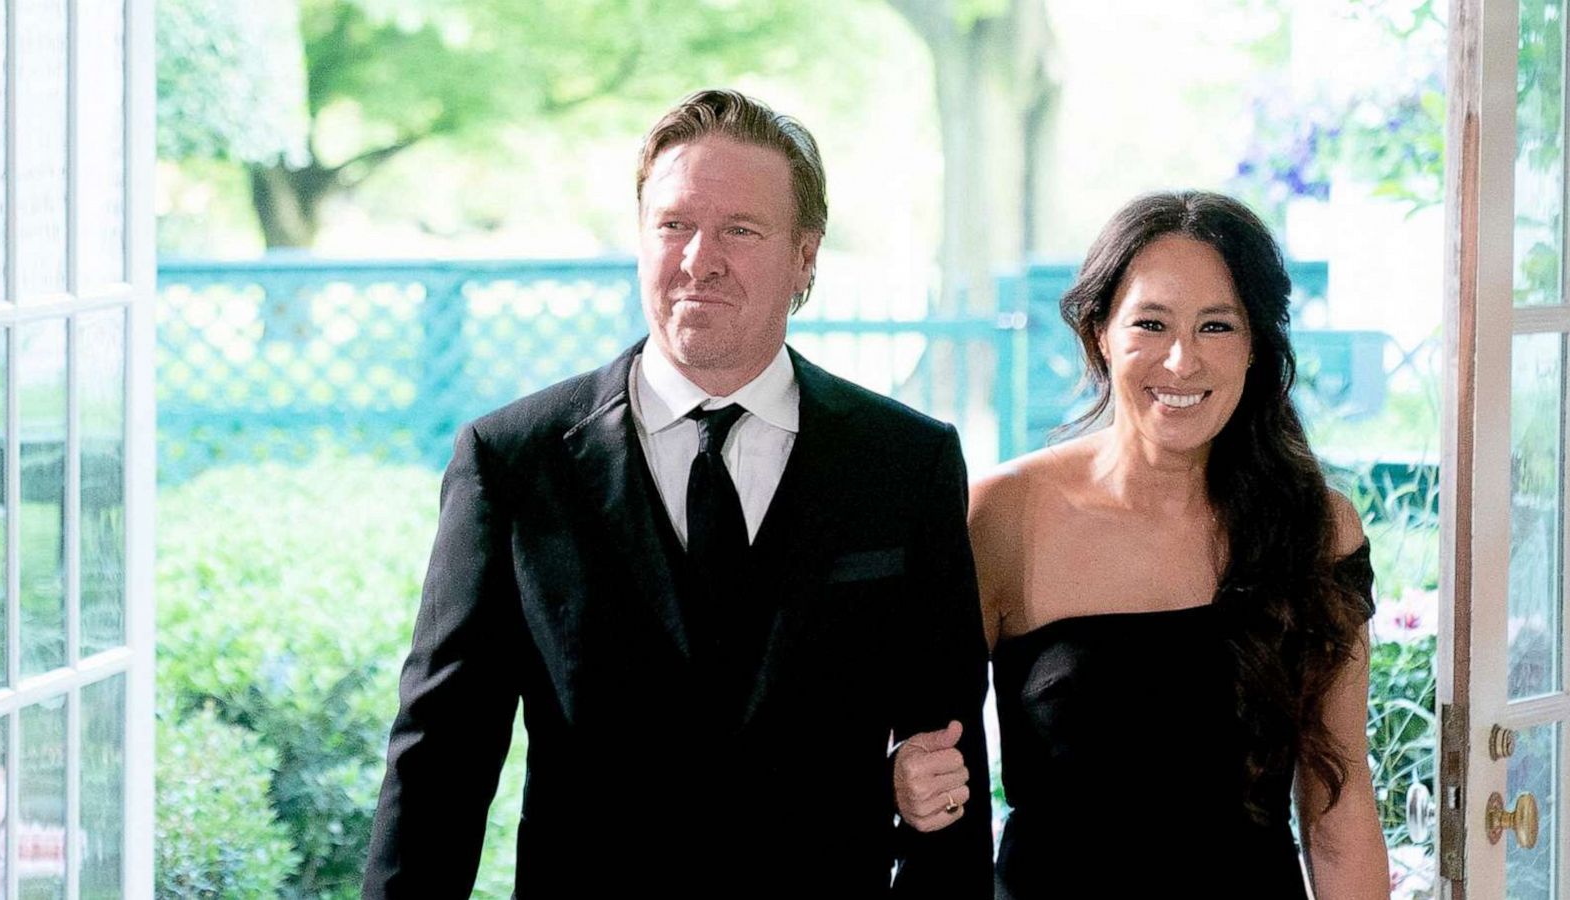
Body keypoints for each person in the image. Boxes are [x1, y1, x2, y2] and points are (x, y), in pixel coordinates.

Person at [363, 88, 992, 899]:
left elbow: (947, 761)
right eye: (674, 225)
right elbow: (440, 758)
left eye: (741, 229)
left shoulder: (908, 463)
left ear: (805, 254)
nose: (701, 259)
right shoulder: (513, 461)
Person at [893, 191, 1390, 898]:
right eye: (1150, 323)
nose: (1181, 361)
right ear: (1100, 331)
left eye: (1216, 326)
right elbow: (916, 747)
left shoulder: (1318, 529)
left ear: (1256, 344)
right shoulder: (1003, 515)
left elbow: (1338, 808)